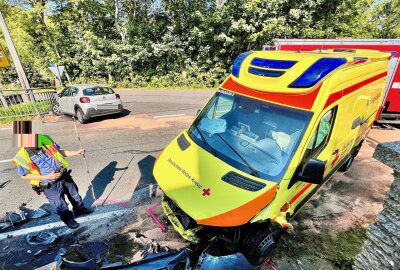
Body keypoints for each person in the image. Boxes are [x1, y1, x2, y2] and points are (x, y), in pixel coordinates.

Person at [12, 120, 93, 229]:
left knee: (75, 195)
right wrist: (47, 177)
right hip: (49, 183)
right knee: (60, 204)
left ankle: (80, 210)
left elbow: (58, 152)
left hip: (63, 174)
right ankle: (69, 220)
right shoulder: (21, 155)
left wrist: (75, 152)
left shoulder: (45, 139)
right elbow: (23, 175)